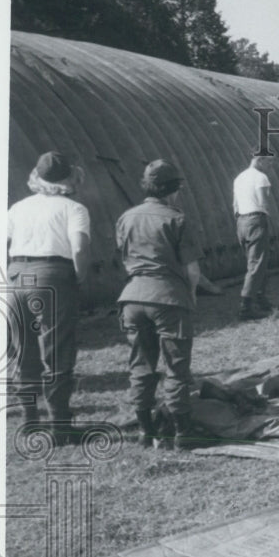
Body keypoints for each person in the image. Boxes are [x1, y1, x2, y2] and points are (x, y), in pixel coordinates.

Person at [116, 160, 202, 450]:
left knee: (141, 365)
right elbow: (192, 269)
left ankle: (145, 431)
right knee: (176, 369)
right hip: (168, 298)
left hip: (132, 297)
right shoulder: (177, 218)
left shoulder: (126, 217)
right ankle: (182, 434)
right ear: (173, 189)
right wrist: (189, 296)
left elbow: (123, 257)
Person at [7, 151, 91, 445]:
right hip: (53, 274)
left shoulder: (18, 207)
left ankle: (30, 420)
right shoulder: (73, 208)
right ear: (70, 176)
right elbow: (79, 248)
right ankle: (60, 426)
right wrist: (78, 275)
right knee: (56, 350)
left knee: (23, 350)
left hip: (17, 274)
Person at [233, 155, 279, 321]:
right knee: (257, 264)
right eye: (269, 161)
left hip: (242, 221)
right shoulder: (260, 177)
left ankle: (260, 299)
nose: (271, 165)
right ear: (259, 159)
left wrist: (241, 224)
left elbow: (235, 204)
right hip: (256, 220)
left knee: (257, 262)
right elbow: (265, 203)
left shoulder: (239, 177)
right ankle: (246, 307)